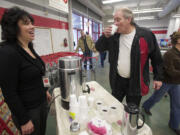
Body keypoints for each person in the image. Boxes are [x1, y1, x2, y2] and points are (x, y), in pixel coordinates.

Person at [95, 8, 163, 106]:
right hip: (117, 81)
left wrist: (158, 77)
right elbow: (99, 48)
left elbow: (156, 58)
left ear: (129, 19)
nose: (115, 23)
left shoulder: (146, 35)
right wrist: (104, 36)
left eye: (118, 20)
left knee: (132, 111)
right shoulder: (114, 36)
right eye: (114, 20)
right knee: (114, 106)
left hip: (136, 82)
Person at [0, 7, 51, 135]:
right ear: (13, 27)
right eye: (26, 23)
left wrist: (45, 91)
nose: (32, 26)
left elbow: (38, 72)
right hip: (28, 112)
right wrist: (24, 120)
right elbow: (9, 92)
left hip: (41, 104)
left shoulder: (28, 46)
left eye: (31, 23)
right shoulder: (7, 52)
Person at [142, 31, 180, 135]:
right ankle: (146, 106)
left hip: (177, 83)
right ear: (178, 41)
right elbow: (170, 71)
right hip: (166, 82)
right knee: (156, 98)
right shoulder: (169, 54)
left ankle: (174, 125)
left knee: (177, 105)